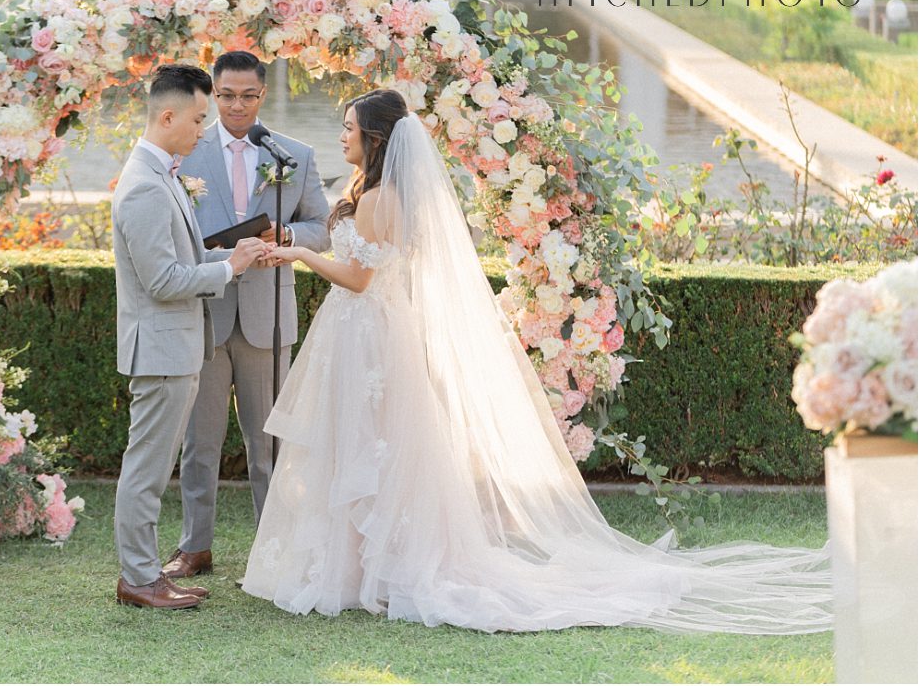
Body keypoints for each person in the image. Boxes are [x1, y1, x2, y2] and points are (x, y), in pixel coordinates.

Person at [241, 89, 832, 634]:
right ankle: (363, 565)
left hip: (365, 331)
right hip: (374, 333)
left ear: (374, 139)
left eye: (348, 129)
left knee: (368, 442)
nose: (340, 136)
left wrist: (296, 256)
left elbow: (360, 278)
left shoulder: (375, 198)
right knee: (377, 444)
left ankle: (360, 568)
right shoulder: (382, 195)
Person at [165, 51, 331, 581]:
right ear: (213, 93)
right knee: (199, 443)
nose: (237, 105)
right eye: (227, 95)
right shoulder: (183, 151)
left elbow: (322, 228)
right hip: (206, 313)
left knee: (270, 446)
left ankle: (275, 550)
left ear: (263, 95)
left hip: (268, 316)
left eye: (249, 96)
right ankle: (196, 547)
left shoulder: (293, 154)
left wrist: (285, 236)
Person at [111, 63, 270, 609]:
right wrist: (229, 272)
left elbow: (187, 257)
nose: (204, 130)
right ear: (169, 115)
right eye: (199, 118)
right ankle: (138, 579)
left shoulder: (161, 174)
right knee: (147, 469)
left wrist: (234, 257)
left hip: (173, 346)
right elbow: (162, 280)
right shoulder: (145, 187)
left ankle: (146, 573)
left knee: (152, 467)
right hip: (160, 347)